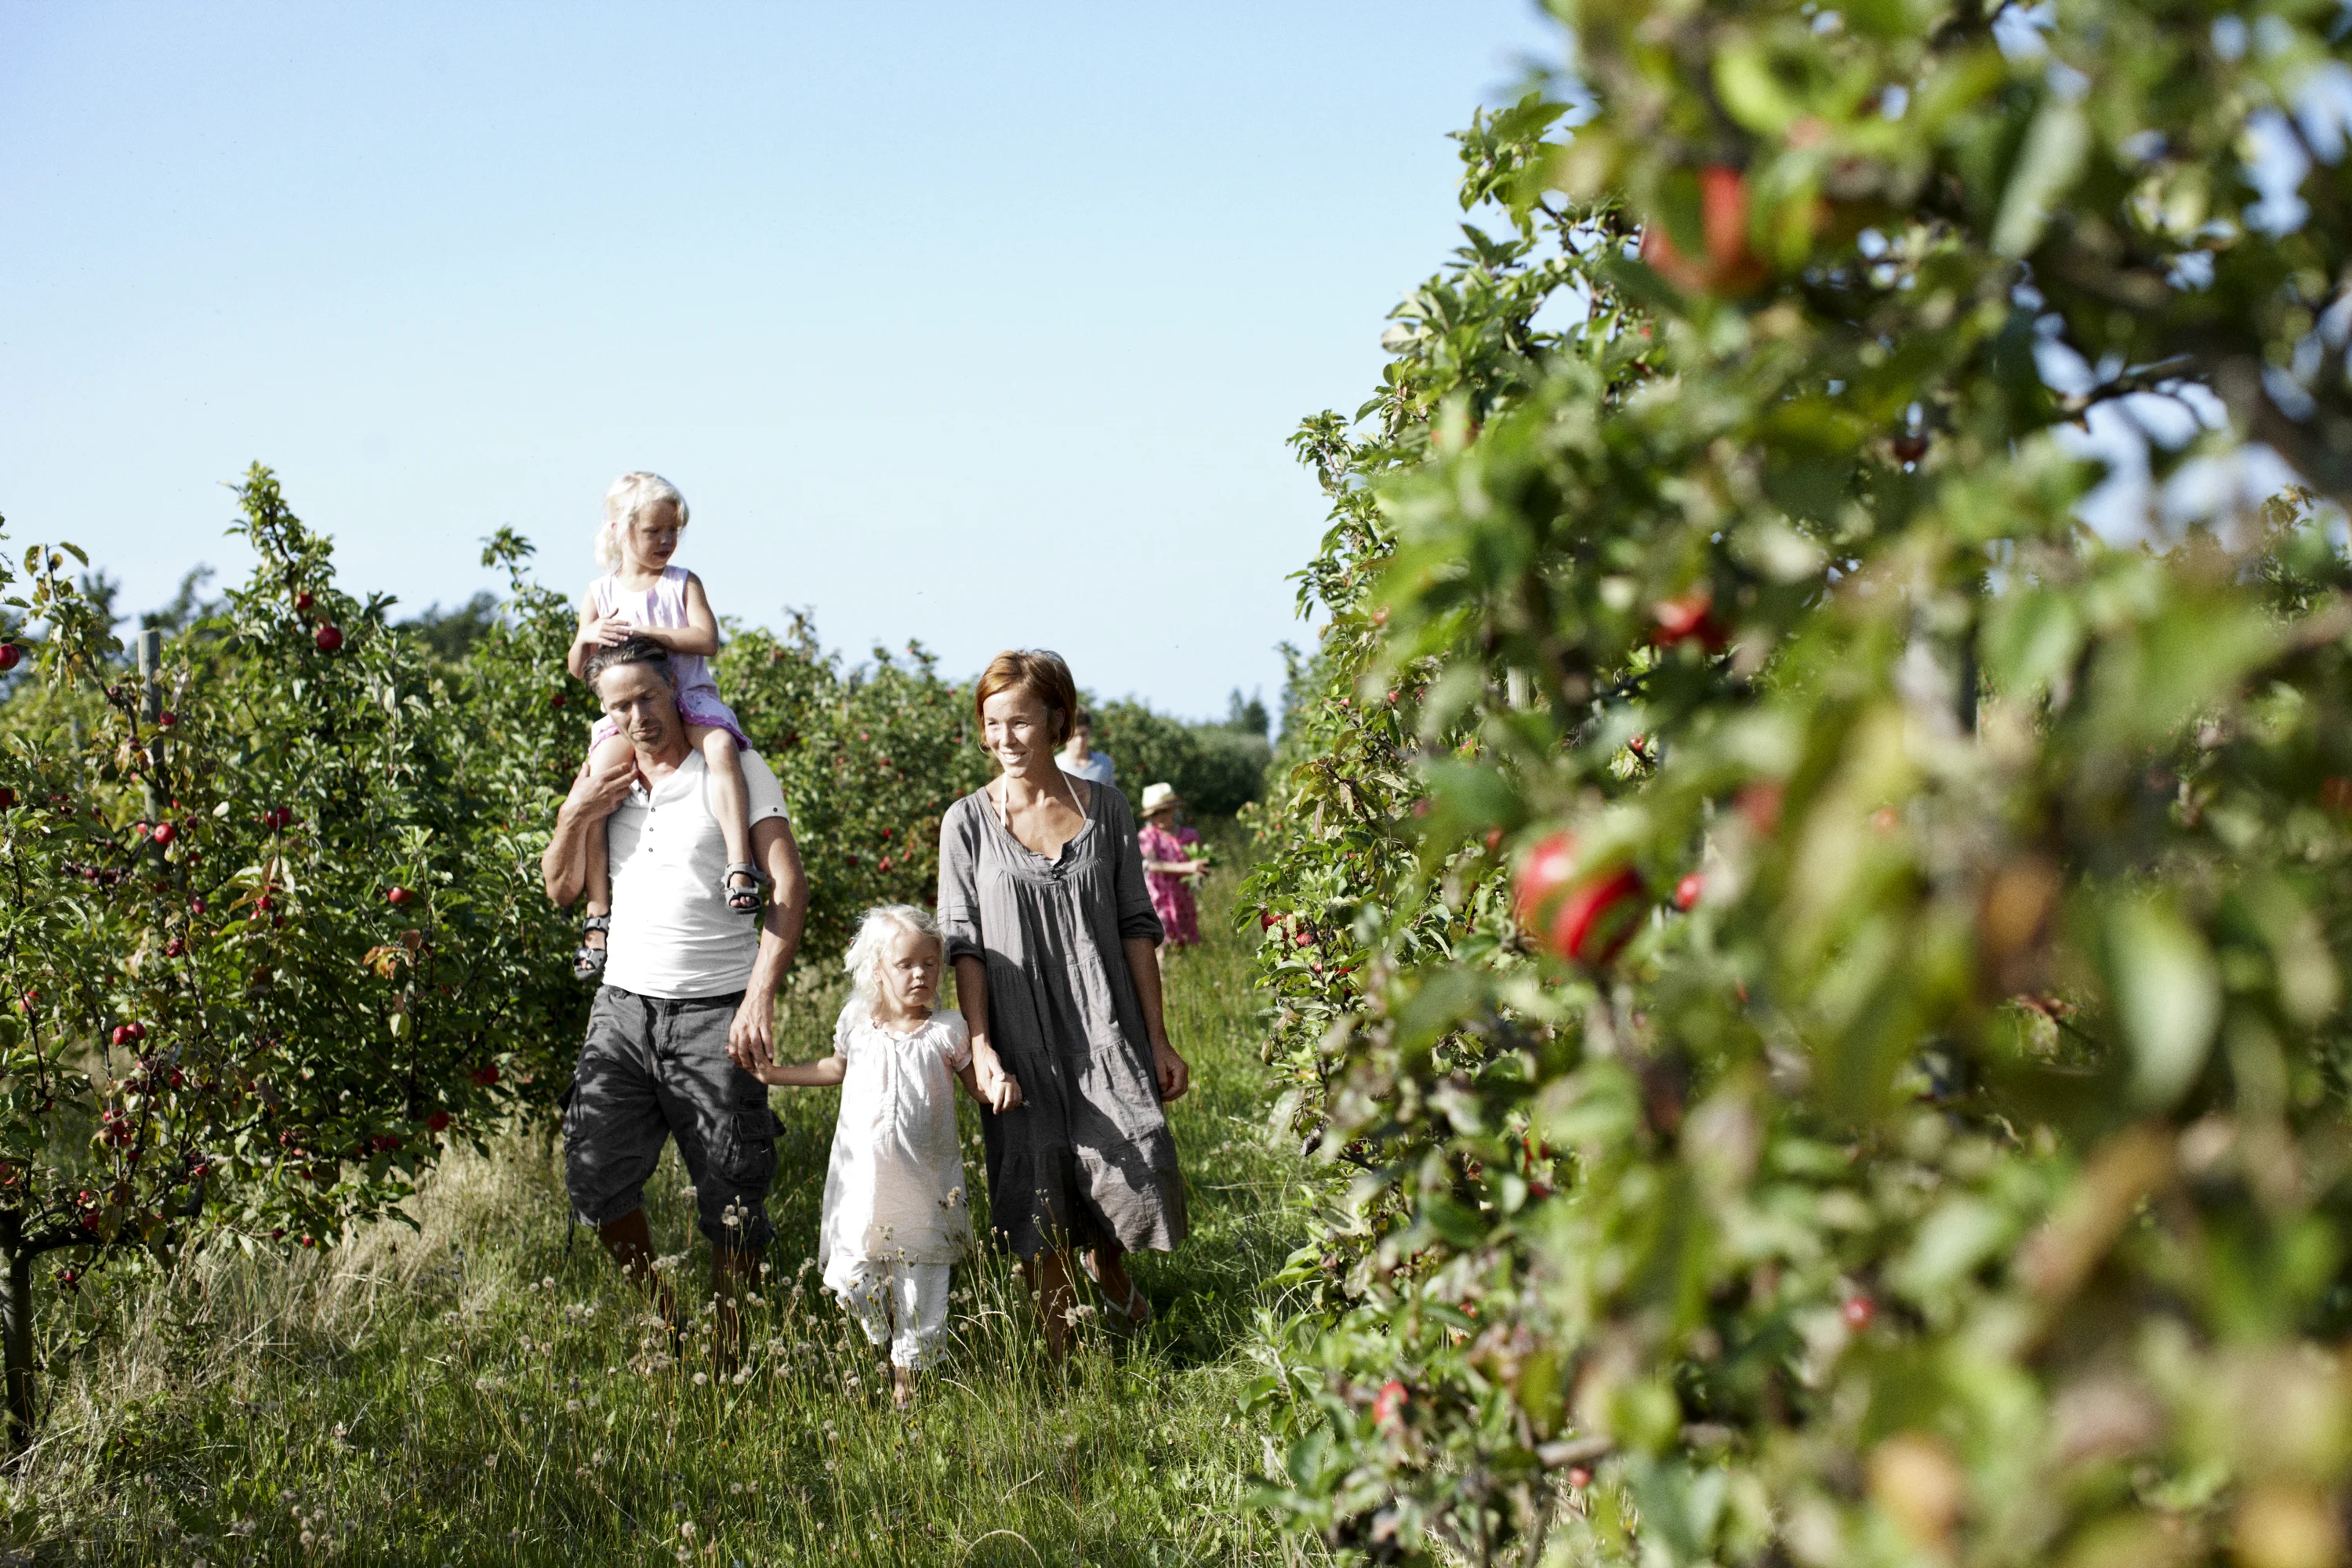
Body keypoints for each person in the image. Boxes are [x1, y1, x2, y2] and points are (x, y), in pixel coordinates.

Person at [540, 635, 808, 1359]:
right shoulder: (606, 775)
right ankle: (667, 1320)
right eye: (619, 706)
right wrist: (577, 813)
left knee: (733, 1196)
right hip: (622, 1011)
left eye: (647, 699)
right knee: (594, 1179)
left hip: (716, 1011)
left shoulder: (735, 765)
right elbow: (561, 888)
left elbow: (788, 888)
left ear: (675, 691)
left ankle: (729, 1350)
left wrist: (760, 996)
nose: (637, 718)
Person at [938, 649, 1189, 1359]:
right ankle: (1062, 1361)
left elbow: (1138, 927)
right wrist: (981, 1049)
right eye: (992, 724)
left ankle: (1109, 1271)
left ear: (1056, 720)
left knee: (1138, 1164)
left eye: (1020, 722)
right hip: (1016, 1034)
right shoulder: (966, 823)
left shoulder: (1104, 809)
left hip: (1105, 1022)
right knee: (1036, 1184)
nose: (1005, 739)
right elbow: (965, 944)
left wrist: (1160, 1039)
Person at [757, 906, 977, 1410]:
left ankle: (909, 1391)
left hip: (926, 1190)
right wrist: (775, 1074)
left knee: (922, 1290)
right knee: (856, 1276)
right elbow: (835, 1067)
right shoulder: (857, 1023)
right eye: (906, 964)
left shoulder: (948, 1029)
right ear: (878, 970)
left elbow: (978, 1088)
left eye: (930, 963)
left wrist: (1005, 1082)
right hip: (864, 1185)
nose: (921, 973)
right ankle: (882, 1327)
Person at [565, 471, 760, 981]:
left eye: (673, 531)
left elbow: (707, 638)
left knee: (719, 747)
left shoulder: (682, 583)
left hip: (688, 696)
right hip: (631, 711)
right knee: (597, 785)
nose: (666, 542)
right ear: (620, 531)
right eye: (655, 532)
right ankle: (598, 915)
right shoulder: (600, 592)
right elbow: (575, 667)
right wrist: (588, 633)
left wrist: (647, 631)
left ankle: (739, 865)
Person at [1137, 782, 1205, 953]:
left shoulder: (1190, 835)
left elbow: (1200, 862)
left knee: (1187, 942)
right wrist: (1188, 867)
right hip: (1159, 897)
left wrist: (1200, 872)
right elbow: (1152, 865)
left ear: (1173, 810)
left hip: (1183, 897)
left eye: (1164, 811)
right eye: (1155, 814)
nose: (1160, 817)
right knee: (1162, 940)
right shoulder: (1148, 836)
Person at [1056, 706, 1115, 787]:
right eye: (1074, 735)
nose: (1080, 740)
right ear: (1065, 734)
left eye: (1084, 734)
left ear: (1090, 731)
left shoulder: (1104, 763)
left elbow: (1111, 798)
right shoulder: (1056, 765)